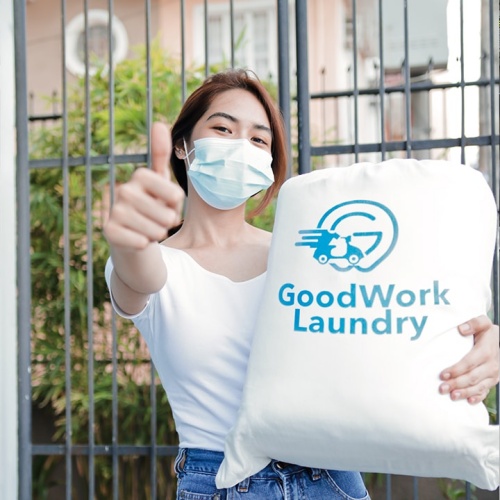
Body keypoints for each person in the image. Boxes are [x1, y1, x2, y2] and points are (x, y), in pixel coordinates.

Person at [104, 69, 500, 499]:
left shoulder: (304, 258)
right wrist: (127, 235)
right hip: (220, 482)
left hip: (330, 478)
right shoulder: (157, 262)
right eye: (222, 128)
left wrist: (481, 343)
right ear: (183, 145)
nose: (240, 147)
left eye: (258, 140)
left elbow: (390, 319)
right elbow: (135, 269)